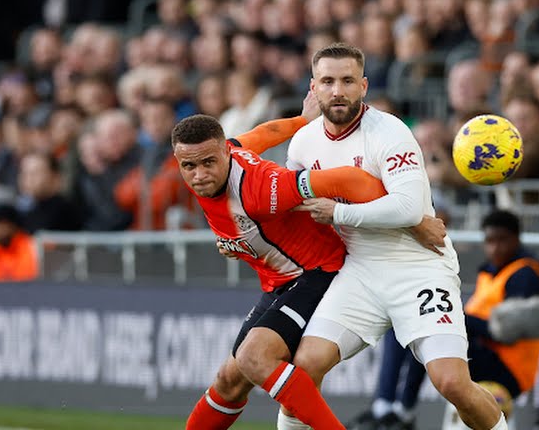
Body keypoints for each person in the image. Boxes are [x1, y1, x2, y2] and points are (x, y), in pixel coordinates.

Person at [176, 95, 442, 430]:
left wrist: (414, 219)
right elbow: (264, 132)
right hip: (279, 280)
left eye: (208, 163)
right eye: (189, 166)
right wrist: (301, 120)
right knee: (229, 380)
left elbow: (349, 179)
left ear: (225, 153)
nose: (199, 174)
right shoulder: (223, 150)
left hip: (318, 270)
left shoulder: (262, 190)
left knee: (254, 357)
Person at [282, 43, 506, 430]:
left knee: (452, 382)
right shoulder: (304, 142)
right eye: (329, 81)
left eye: (348, 80)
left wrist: (338, 211)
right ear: (313, 88)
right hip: (360, 272)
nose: (338, 91)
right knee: (303, 368)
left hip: (418, 266)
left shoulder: (390, 131)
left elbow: (405, 208)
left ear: (364, 86)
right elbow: (290, 200)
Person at [350, 210, 539, 429]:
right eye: (489, 241)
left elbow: (509, 334)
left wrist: (460, 319)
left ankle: (403, 410)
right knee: (412, 323)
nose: (495, 248)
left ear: (516, 239)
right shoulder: (491, 272)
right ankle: (385, 405)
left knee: (429, 327)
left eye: (502, 240)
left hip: (508, 368)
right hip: (485, 352)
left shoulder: (525, 275)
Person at [0, 204, 38, 282]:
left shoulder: (29, 245)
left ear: (15, 226)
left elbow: (27, 275)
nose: (1, 229)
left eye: (5, 224)